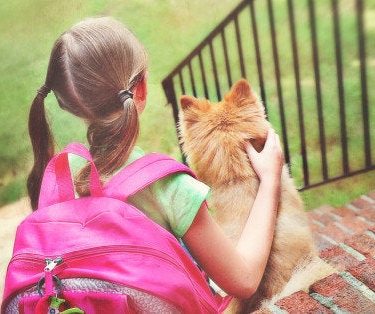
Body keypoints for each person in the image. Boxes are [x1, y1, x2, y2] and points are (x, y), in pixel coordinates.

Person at [26, 16, 283, 300]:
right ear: (142, 88)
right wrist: (270, 179)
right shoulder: (167, 186)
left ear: (66, 105)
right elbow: (243, 280)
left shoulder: (57, 175)